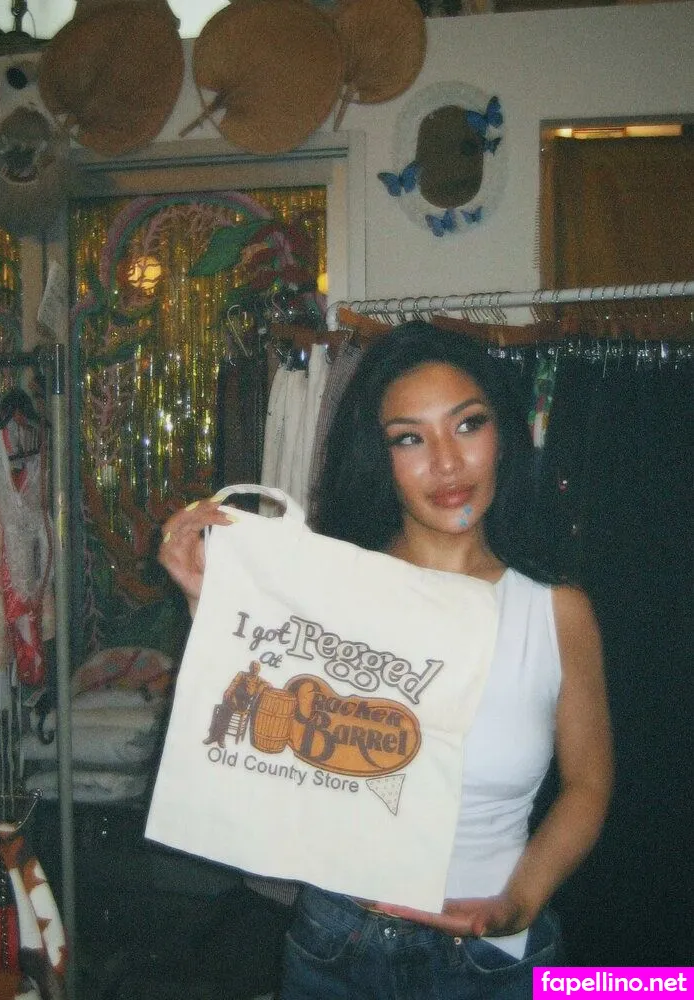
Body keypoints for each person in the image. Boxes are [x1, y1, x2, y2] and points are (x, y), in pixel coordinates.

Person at [158, 321, 613, 999]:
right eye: (410, 438)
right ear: (380, 457)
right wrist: (210, 605)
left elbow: (588, 783)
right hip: (337, 943)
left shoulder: (556, 609)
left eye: (467, 425)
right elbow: (251, 744)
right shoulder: (329, 590)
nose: (447, 463)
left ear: (504, 436)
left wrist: (518, 901)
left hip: (494, 953)